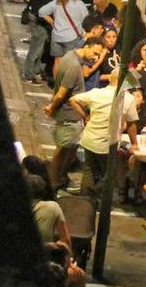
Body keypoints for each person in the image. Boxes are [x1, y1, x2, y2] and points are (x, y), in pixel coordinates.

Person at [42, 36, 104, 190]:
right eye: (95, 53)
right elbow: (62, 94)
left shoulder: (70, 55)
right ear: (87, 47)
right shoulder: (75, 66)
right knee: (62, 150)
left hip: (69, 114)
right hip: (68, 114)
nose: (96, 58)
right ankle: (53, 182)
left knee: (68, 149)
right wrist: (51, 107)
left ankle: (59, 178)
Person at [69, 65, 139, 198]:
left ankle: (85, 200)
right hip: (108, 144)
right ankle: (96, 194)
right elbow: (131, 124)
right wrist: (134, 143)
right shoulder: (128, 99)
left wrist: (86, 116)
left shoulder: (97, 93)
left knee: (89, 170)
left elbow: (73, 100)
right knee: (110, 174)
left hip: (90, 139)